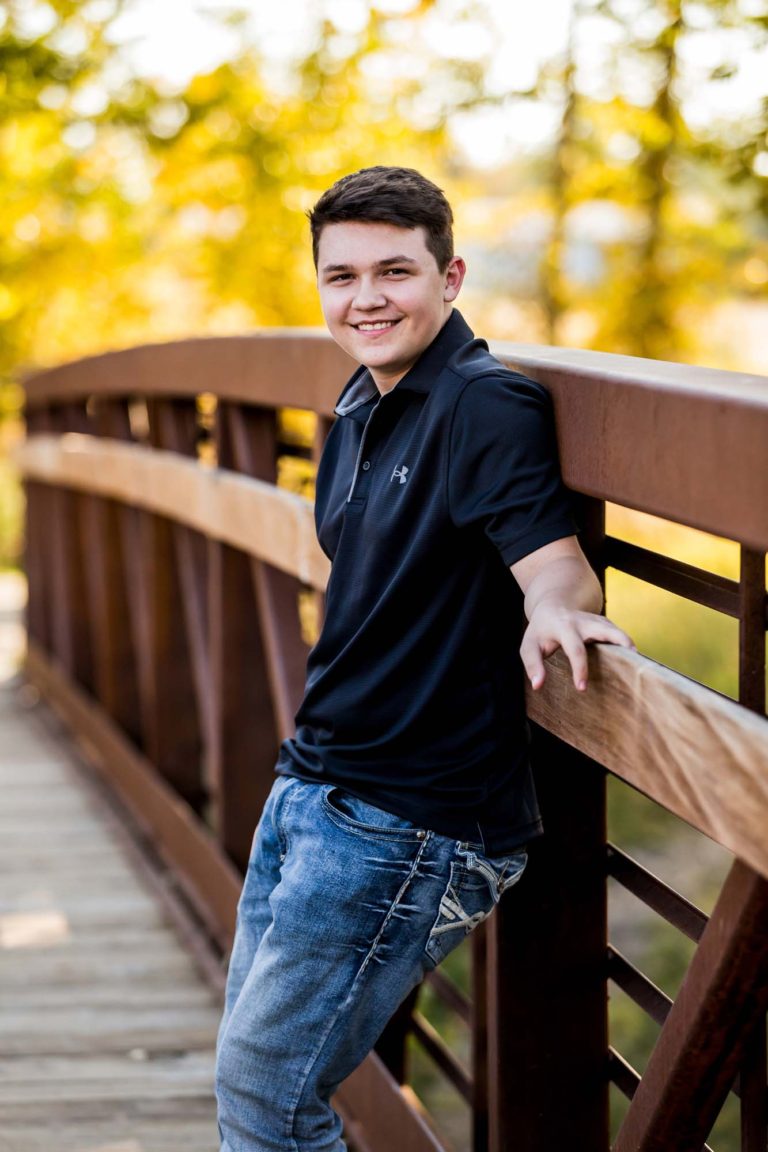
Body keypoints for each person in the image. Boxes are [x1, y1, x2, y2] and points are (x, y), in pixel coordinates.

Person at [215, 165, 634, 1152]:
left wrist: (557, 611)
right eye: (340, 276)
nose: (366, 299)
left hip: (410, 818)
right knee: (250, 1081)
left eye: (394, 272)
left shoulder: (484, 405)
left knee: (267, 1104)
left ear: (451, 277)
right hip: (315, 787)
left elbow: (556, 566)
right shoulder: (359, 402)